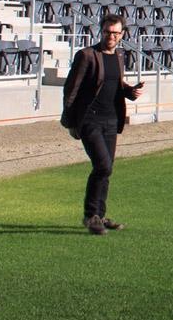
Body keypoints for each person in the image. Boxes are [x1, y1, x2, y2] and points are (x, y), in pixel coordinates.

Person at [60, 14, 144, 235]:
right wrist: (69, 122)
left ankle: (100, 215)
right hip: (89, 120)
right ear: (101, 31)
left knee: (106, 170)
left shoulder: (117, 57)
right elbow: (71, 89)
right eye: (108, 32)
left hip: (111, 120)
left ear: (122, 34)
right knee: (103, 166)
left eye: (116, 33)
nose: (111, 36)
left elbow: (114, 84)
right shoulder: (86, 55)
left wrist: (130, 91)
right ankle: (90, 217)